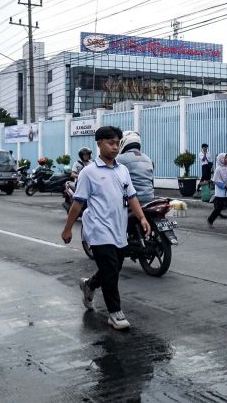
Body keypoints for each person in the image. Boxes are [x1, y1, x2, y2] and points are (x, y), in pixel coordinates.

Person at [60, 126, 151, 331]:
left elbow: (132, 197)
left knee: (113, 269)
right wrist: (68, 229)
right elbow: (77, 203)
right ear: (99, 143)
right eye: (111, 143)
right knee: (111, 271)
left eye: (118, 143)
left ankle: (89, 285)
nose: (115, 147)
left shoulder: (122, 170)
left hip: (119, 229)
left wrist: (142, 218)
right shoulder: (89, 172)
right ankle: (115, 314)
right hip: (98, 230)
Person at [115, 131, 155, 205]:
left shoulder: (119, 159)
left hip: (132, 200)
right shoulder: (148, 159)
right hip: (150, 198)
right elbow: (151, 181)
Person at [207, 153, 227, 230]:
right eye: (225, 158)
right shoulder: (218, 169)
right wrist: (224, 186)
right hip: (220, 192)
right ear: (221, 159)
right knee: (219, 208)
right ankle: (210, 220)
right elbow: (216, 181)